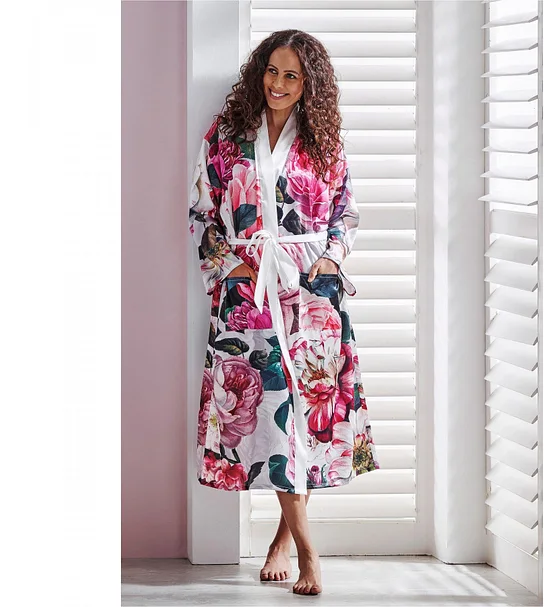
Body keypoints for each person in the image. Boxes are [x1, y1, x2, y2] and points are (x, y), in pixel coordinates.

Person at [186, 29, 380, 596]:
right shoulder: (226, 137)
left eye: (292, 75)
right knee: (271, 413)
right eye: (272, 70)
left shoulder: (324, 142)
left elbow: (345, 213)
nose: (278, 83)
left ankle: (283, 541)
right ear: (259, 72)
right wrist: (230, 268)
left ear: (308, 84)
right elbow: (201, 211)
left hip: (312, 293)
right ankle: (309, 554)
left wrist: (331, 259)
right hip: (248, 295)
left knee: (306, 419)